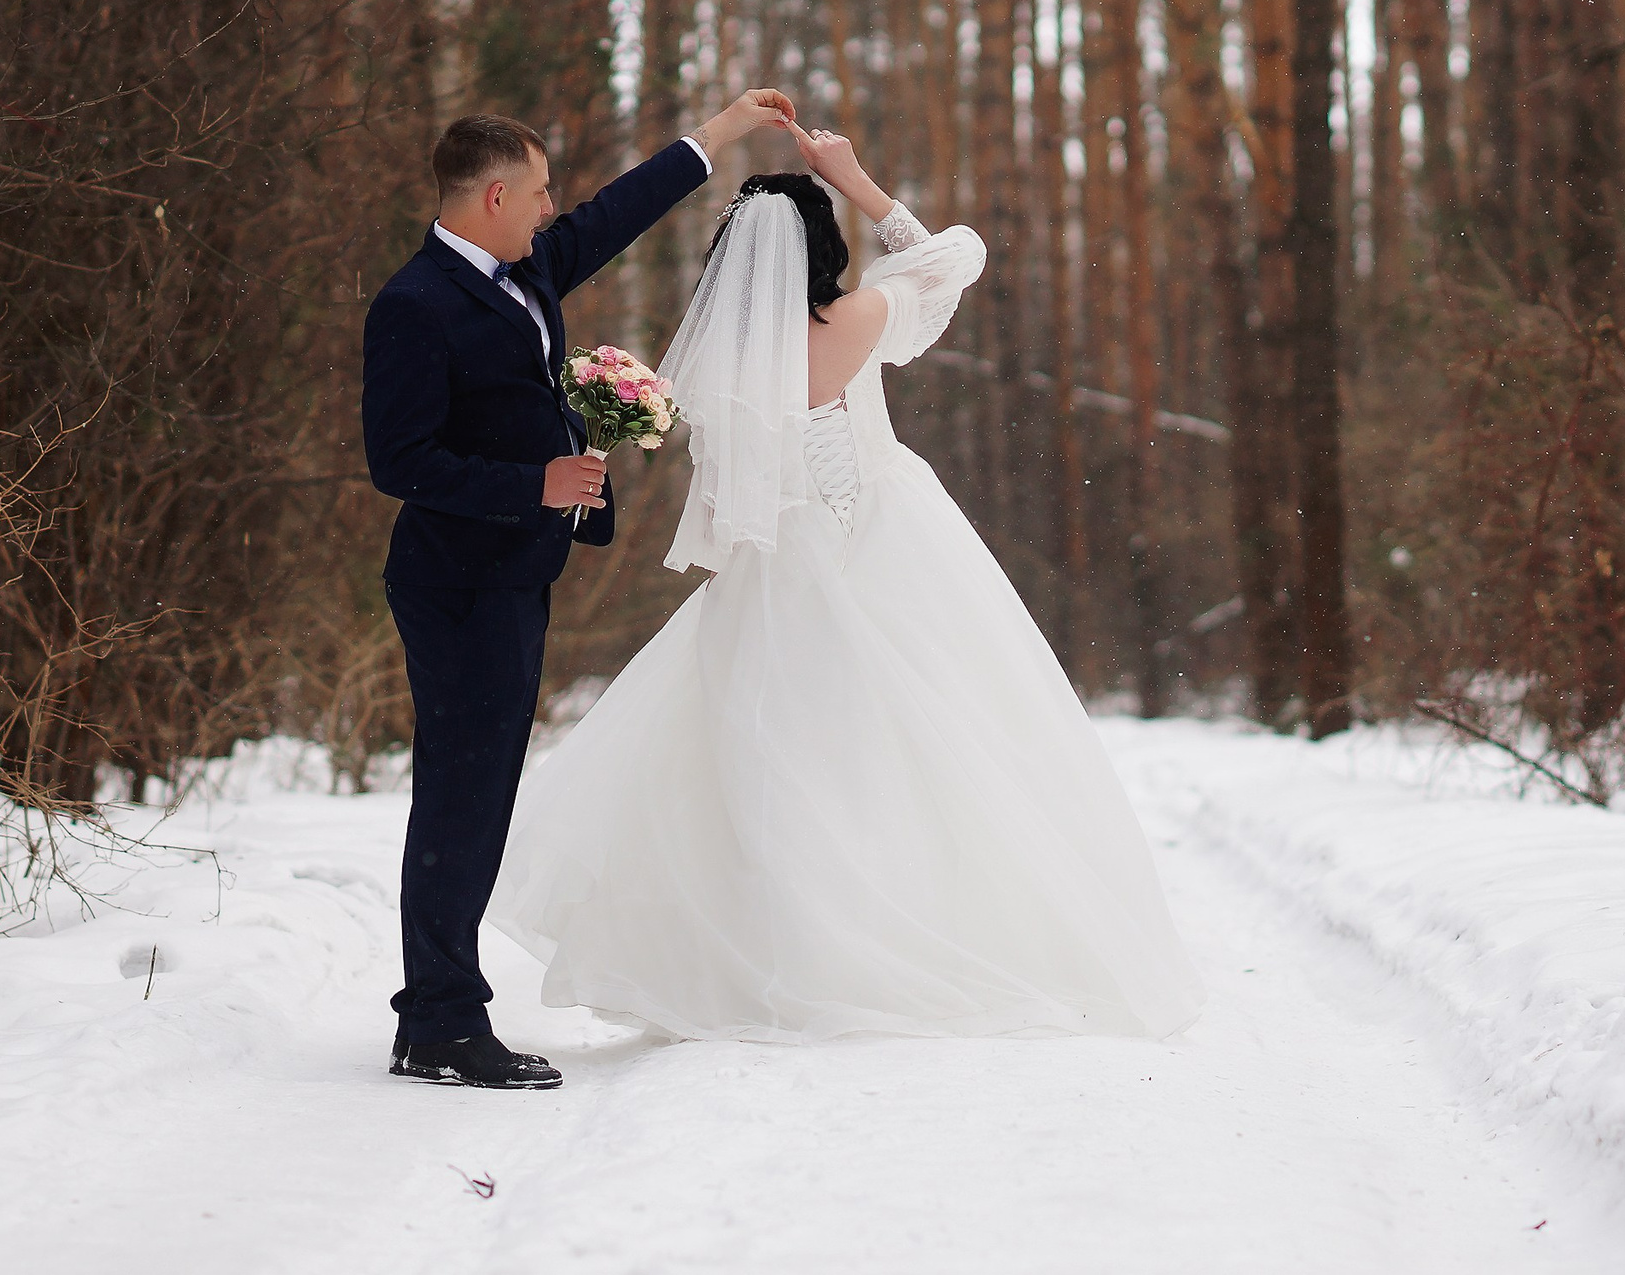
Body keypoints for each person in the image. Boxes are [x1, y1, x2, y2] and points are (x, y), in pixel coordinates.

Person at [489, 128, 1205, 1042]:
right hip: (880, 540)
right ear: (822, 249)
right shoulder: (861, 319)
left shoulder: (708, 365)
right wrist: (858, 179)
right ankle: (909, 930)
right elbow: (959, 257)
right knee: (923, 744)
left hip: (769, 565)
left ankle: (777, 956)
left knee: (768, 757)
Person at [363, 88, 797, 1089]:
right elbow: (399, 460)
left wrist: (720, 134)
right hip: (454, 583)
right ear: (497, 193)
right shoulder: (415, 303)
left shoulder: (522, 273)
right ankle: (437, 1022)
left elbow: (612, 214)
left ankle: (433, 1012)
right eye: (541, 192)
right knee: (461, 801)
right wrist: (535, 484)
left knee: (478, 794)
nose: (555, 208)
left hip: (512, 574)